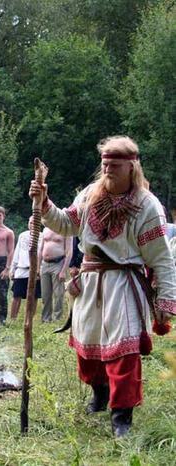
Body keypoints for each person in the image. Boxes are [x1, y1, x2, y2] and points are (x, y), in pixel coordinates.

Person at [29, 135, 176, 437]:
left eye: (115, 165)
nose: (107, 170)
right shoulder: (89, 195)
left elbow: (162, 258)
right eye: (104, 164)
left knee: (123, 352)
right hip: (89, 280)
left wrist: (166, 300)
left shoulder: (148, 206)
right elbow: (65, 223)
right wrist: (43, 201)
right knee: (88, 347)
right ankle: (100, 395)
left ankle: (121, 415)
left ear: (132, 166)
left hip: (124, 283)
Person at [9, 216, 41, 320]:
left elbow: (43, 254)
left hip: (35, 271)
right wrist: (12, 269)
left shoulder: (42, 237)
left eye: (34, 223)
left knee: (34, 296)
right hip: (21, 269)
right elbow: (17, 252)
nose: (32, 225)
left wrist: (40, 270)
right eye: (30, 222)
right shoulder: (22, 235)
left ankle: (29, 319)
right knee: (16, 295)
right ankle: (13, 319)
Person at [38, 227, 72, 322]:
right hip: (44, 264)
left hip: (58, 263)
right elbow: (40, 249)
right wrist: (38, 267)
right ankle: (46, 319)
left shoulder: (66, 230)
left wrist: (63, 271)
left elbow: (69, 252)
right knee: (45, 294)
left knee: (58, 294)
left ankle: (57, 318)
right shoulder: (45, 229)